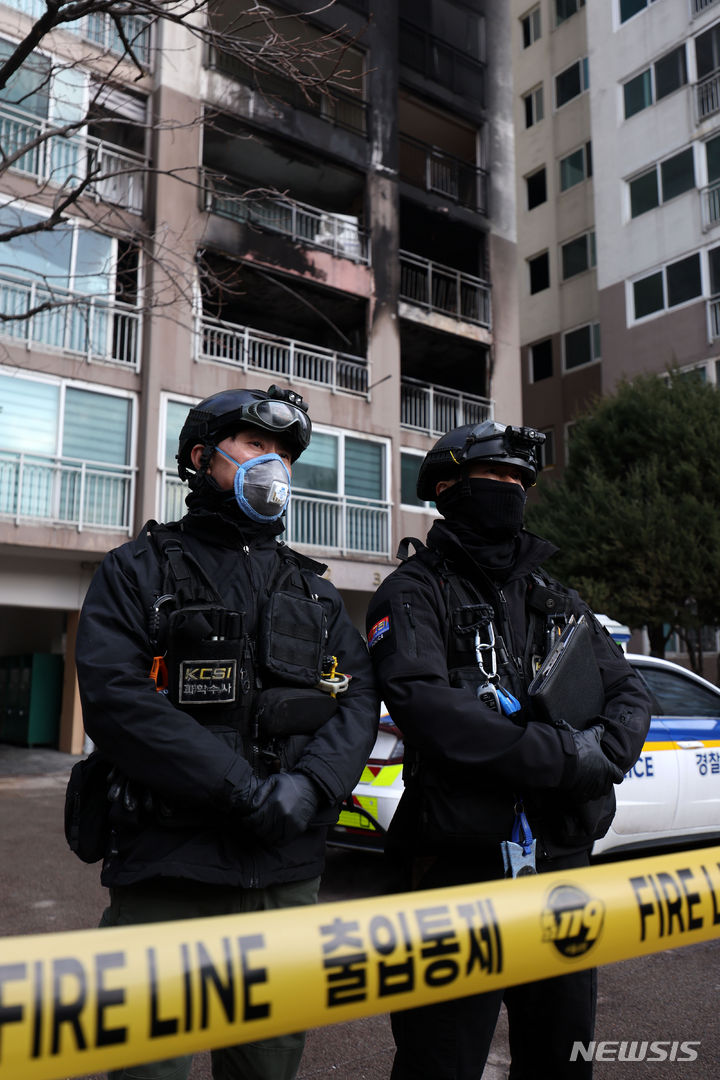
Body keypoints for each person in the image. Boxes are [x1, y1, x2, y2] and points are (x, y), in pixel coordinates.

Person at [74, 383, 379, 1080]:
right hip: (168, 870)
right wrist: (242, 791)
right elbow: (117, 700)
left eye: (283, 454)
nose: (272, 465)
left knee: (268, 1067)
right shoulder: (137, 571)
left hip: (285, 877)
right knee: (148, 1068)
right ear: (201, 456)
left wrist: (311, 786)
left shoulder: (315, 591)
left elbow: (357, 697)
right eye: (254, 445)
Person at [365, 420, 652, 1080]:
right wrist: (559, 758)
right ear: (446, 489)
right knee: (441, 1058)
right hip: (454, 868)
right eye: (493, 479)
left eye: (519, 482)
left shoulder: (553, 595)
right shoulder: (413, 592)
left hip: (560, 864)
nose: (509, 492)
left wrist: (599, 754)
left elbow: (629, 690)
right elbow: (426, 706)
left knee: (563, 1052)